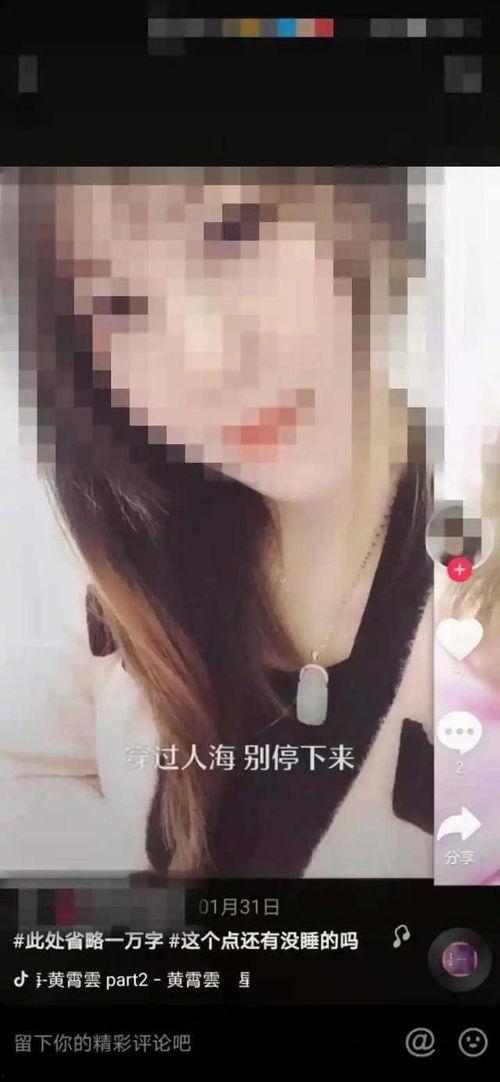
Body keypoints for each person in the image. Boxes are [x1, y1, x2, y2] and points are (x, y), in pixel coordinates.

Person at [2, 166, 494, 879]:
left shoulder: (474, 576)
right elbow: (25, 771)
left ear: (357, 210)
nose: (210, 358)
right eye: (119, 304)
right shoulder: (125, 567)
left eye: (234, 233)